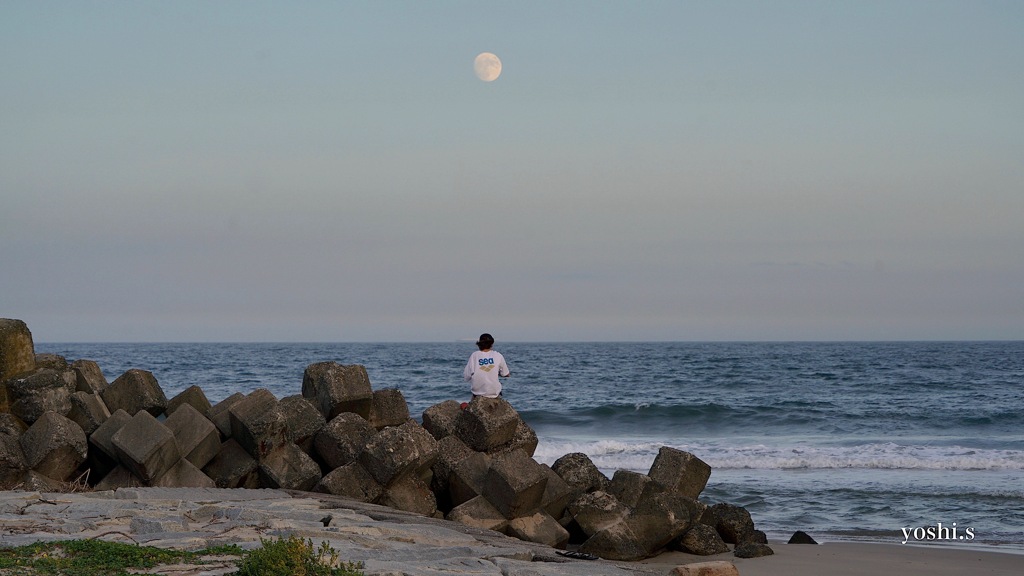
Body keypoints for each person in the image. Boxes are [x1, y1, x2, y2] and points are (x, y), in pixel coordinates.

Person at [463, 333, 510, 398]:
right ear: (492, 344)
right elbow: (506, 374)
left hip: (477, 392)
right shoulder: (498, 355)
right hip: (494, 392)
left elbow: (466, 376)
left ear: (479, 344)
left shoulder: (474, 355)